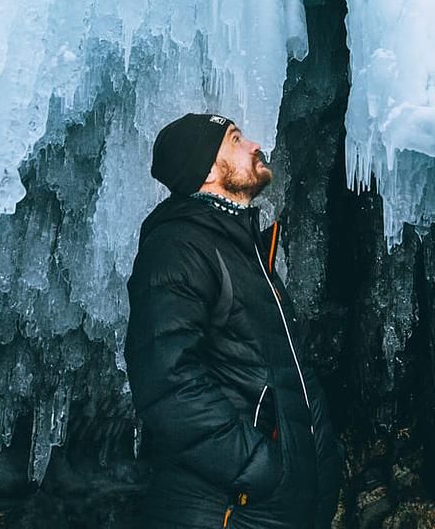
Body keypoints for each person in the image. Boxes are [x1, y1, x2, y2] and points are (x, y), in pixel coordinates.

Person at [124, 113, 341, 528]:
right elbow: (166, 381)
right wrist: (261, 467)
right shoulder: (179, 248)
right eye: (236, 139)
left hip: (266, 508)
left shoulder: (242, 248)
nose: (254, 145)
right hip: (225, 510)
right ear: (207, 170)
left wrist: (315, 465)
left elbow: (279, 377)